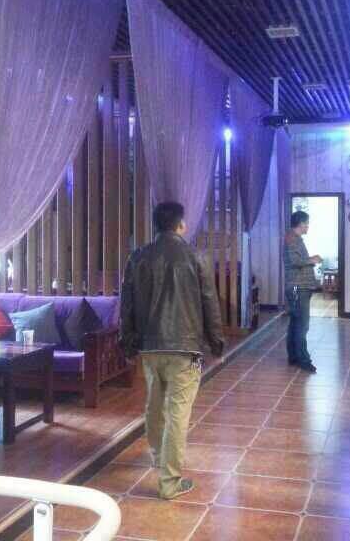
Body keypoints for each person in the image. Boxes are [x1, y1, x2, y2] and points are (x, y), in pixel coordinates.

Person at [119, 201, 225, 500]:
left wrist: (128, 340)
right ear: (181, 225)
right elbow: (209, 303)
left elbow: (126, 303)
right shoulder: (196, 257)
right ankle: (169, 482)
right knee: (177, 412)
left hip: (150, 346)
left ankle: (157, 455)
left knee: (154, 404)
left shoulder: (138, 257)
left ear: (156, 225)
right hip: (185, 346)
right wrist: (216, 342)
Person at [283, 210, 322, 373]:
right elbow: (294, 261)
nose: (308, 226)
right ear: (300, 223)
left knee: (296, 322)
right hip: (298, 287)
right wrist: (312, 260)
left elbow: (298, 260)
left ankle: (294, 356)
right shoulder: (292, 238)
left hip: (298, 287)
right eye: (306, 223)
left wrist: (310, 260)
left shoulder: (295, 238)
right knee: (302, 325)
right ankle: (303, 359)